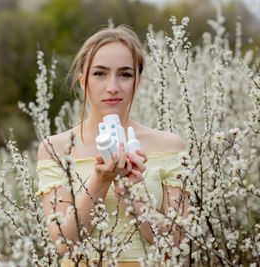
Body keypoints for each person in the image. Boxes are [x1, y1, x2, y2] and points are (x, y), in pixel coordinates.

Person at [36, 25, 189, 266]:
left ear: (137, 81)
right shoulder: (55, 149)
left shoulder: (169, 146)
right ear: (83, 80)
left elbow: (177, 242)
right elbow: (66, 244)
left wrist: (132, 198)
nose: (112, 87)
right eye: (100, 74)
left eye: (125, 74)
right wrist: (100, 181)